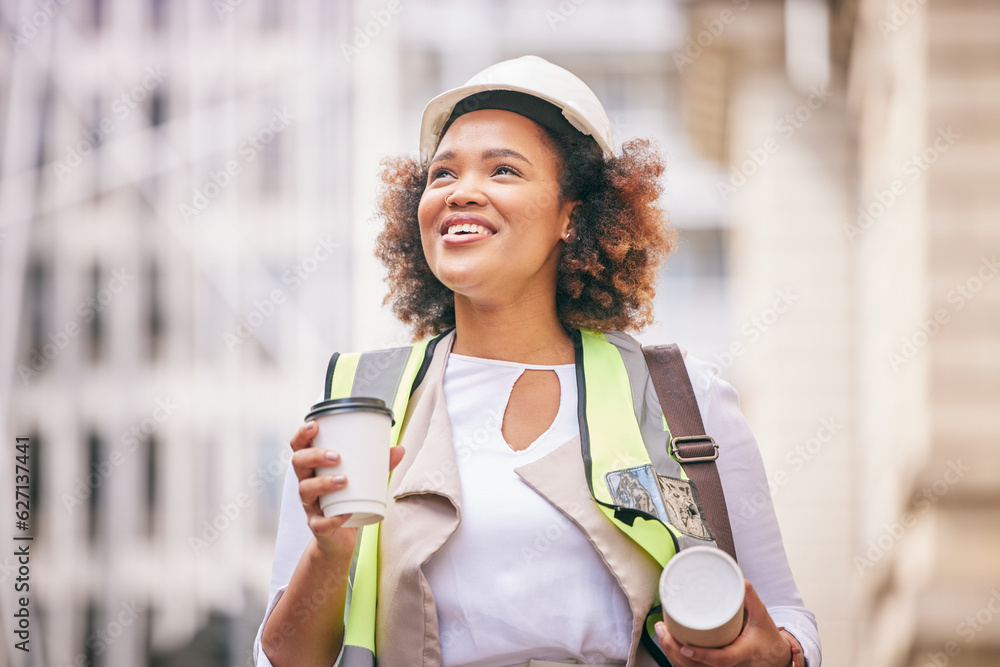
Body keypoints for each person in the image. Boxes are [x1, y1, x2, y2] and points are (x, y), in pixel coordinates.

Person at [254, 55, 821, 667]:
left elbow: (789, 617)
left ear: (571, 216)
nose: (461, 191)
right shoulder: (360, 403)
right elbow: (279, 659)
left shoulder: (684, 400)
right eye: (442, 175)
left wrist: (779, 655)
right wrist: (330, 554)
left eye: (503, 170)